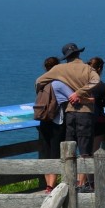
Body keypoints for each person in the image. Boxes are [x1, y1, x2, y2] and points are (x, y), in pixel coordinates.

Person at [35, 43, 100, 193]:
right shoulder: (87, 68)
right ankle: (89, 184)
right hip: (85, 112)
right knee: (85, 149)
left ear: (66, 57)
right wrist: (80, 92)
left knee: (69, 148)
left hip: (70, 113)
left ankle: (69, 183)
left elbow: (39, 81)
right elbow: (96, 81)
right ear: (78, 54)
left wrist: (42, 93)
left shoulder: (59, 69)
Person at [36, 56, 64, 193]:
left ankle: (48, 184)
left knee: (45, 153)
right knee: (55, 153)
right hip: (57, 121)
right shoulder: (59, 83)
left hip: (43, 119)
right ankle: (51, 185)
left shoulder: (40, 83)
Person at [87, 57, 105, 154]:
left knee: (85, 150)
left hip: (83, 120)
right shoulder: (101, 86)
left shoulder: (81, 84)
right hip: (97, 121)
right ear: (99, 69)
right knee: (95, 149)